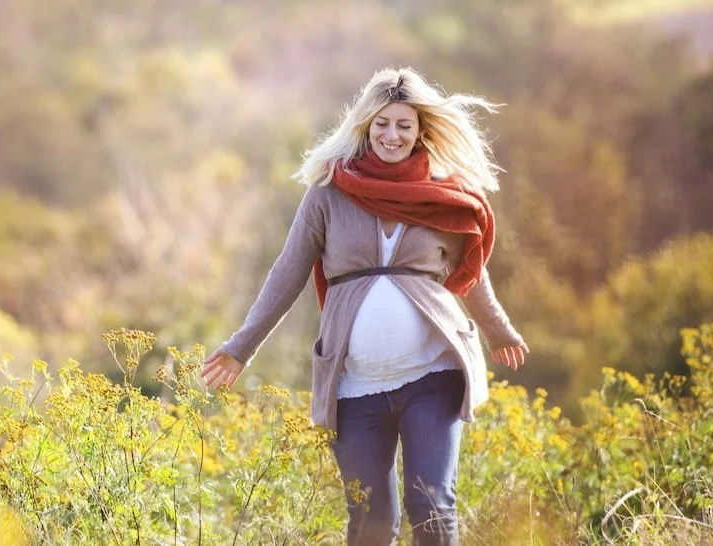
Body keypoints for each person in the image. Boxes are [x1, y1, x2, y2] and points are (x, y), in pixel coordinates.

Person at [200, 66, 529, 546]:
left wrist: (499, 330)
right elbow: (287, 273)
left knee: (432, 505)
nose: (391, 135)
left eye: (403, 125)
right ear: (364, 125)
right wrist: (240, 347)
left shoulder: (444, 193)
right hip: (355, 387)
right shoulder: (328, 194)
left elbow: (471, 271)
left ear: (420, 130)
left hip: (432, 376)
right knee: (372, 522)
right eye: (382, 123)